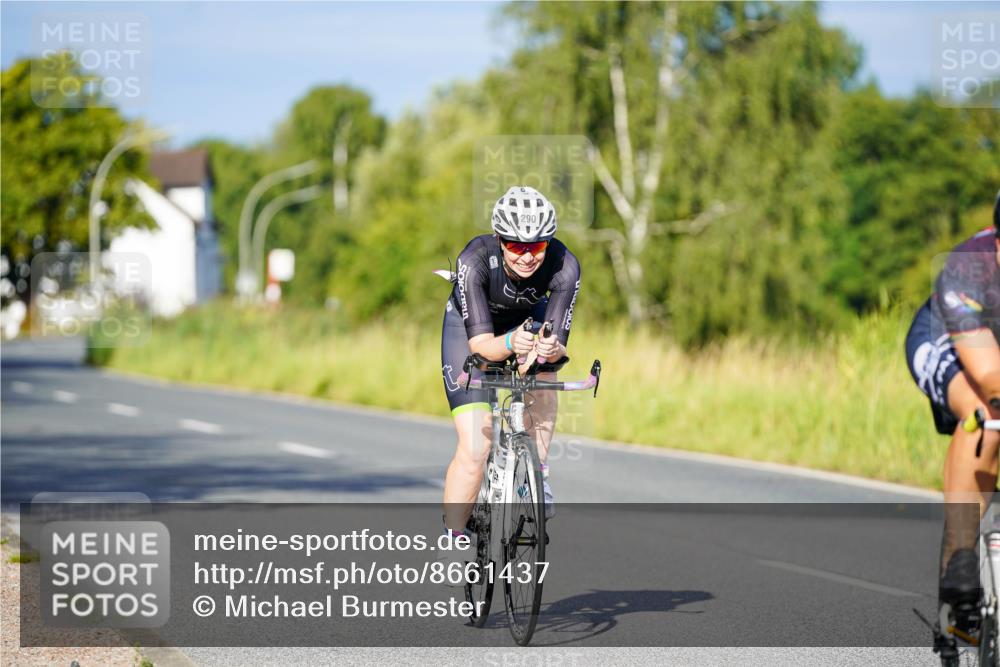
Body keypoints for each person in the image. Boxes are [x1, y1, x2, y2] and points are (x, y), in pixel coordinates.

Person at [439, 185, 581, 549]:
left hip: (526, 321)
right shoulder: (474, 259)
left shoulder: (565, 266)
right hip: (471, 331)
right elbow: (481, 345)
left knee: (547, 372)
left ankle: (537, 474)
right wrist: (508, 343)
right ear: (500, 240)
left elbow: (559, 338)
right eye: (517, 246)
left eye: (537, 246)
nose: (527, 256)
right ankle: (454, 540)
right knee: (475, 450)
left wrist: (548, 348)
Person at [905, 191, 1000, 640]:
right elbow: (989, 375)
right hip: (949, 340)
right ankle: (960, 560)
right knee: (986, 411)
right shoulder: (969, 266)